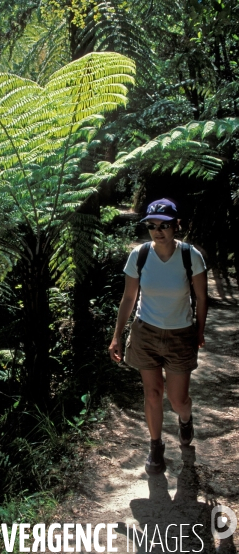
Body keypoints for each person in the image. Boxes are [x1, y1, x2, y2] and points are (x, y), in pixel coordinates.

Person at [108, 198, 208, 474]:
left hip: (180, 334)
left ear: (176, 225)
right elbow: (129, 297)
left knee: (178, 400)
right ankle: (155, 447)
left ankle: (185, 419)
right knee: (152, 393)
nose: (157, 230)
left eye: (164, 225)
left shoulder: (190, 256)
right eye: (152, 225)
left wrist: (199, 330)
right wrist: (117, 335)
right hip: (146, 332)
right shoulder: (139, 255)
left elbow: (201, 296)